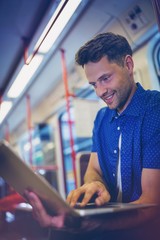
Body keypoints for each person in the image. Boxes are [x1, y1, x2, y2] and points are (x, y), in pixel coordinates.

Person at [25, 32, 160, 239]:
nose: (100, 92)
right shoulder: (101, 119)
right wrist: (95, 184)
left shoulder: (154, 109)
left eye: (105, 79)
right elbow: (94, 169)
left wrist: (89, 224)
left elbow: (151, 205)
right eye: (94, 84)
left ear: (129, 65)